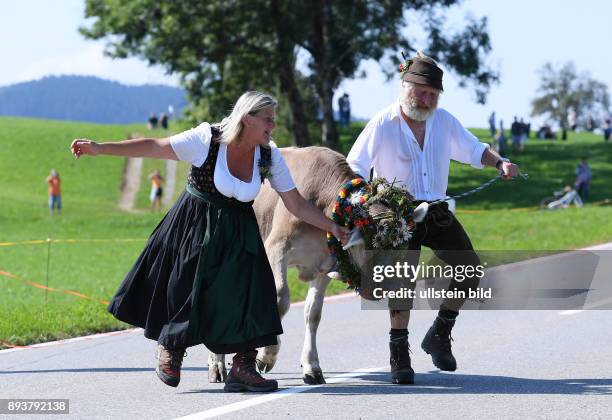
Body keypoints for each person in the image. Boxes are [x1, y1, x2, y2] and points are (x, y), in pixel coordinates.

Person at [70, 91, 349, 392]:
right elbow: (155, 146)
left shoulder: (268, 155)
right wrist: (99, 149)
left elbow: (295, 203)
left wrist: (333, 226)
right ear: (247, 118)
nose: (273, 126)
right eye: (268, 120)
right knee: (187, 284)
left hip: (239, 227)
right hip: (194, 221)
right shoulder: (207, 139)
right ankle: (171, 349)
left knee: (254, 291)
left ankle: (243, 366)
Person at [346, 51, 519, 385]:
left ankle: (440, 333)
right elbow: (355, 165)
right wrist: (363, 201)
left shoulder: (444, 121)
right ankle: (399, 354)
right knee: (401, 283)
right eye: (421, 91)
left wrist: (500, 162)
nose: (426, 99)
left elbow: (473, 149)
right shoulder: (384, 122)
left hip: (437, 210)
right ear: (405, 87)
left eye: (432, 94)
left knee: (469, 268)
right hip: (397, 215)